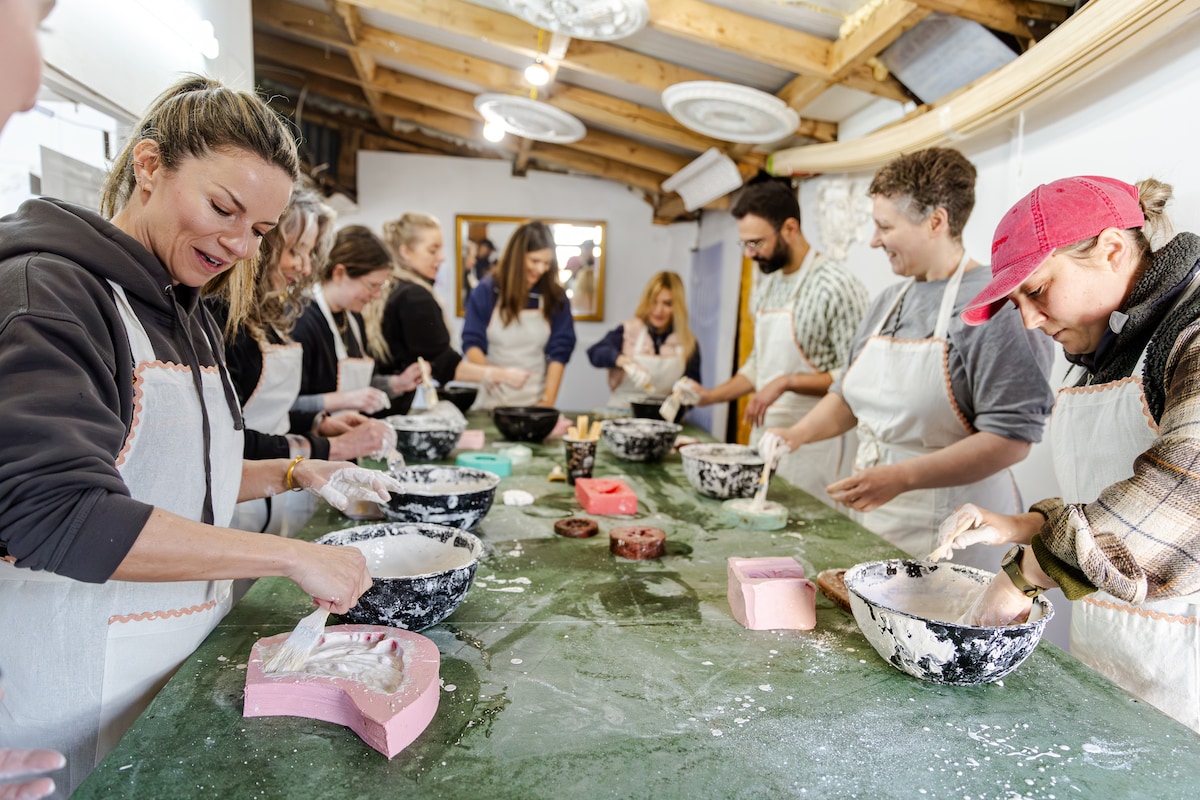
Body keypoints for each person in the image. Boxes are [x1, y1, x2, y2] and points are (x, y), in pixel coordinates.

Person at [0, 76, 401, 795]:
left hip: (167, 674)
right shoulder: (50, 296)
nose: (240, 245)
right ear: (149, 166)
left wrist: (291, 472)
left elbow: (176, 473)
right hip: (64, 705)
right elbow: (55, 515)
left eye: (260, 231)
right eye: (223, 208)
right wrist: (285, 556)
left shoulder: (189, 311)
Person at [932, 175, 1200, 732]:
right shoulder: (1093, 346)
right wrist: (1023, 525)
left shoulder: (1190, 330)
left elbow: (1183, 491)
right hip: (1115, 659)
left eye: (1036, 290)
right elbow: (1103, 490)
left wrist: (1026, 573)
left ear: (1111, 250)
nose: (1028, 319)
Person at [766, 148, 1055, 558]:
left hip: (955, 533)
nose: (873, 240)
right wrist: (794, 435)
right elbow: (848, 397)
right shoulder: (887, 301)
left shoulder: (994, 307)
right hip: (878, 515)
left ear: (936, 221)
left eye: (885, 226)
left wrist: (901, 477)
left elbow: (1011, 439)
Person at [207, 184, 396, 536]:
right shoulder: (220, 317)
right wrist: (330, 447)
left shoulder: (268, 316)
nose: (306, 267)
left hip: (277, 494)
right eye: (295, 251)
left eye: (310, 253)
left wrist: (317, 422)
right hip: (232, 502)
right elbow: (224, 435)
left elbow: (270, 413)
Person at [687, 178, 870, 506]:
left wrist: (787, 382)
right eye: (744, 244)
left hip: (818, 447)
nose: (748, 254)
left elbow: (855, 379)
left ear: (790, 228)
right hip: (769, 439)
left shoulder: (836, 286)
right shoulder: (767, 286)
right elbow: (758, 365)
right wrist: (710, 397)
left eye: (756, 243)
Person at [379, 213, 529, 414]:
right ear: (405, 252)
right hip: (384, 410)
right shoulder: (414, 296)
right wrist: (504, 375)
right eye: (433, 250)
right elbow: (446, 365)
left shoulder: (393, 287)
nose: (442, 257)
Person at [291, 224, 422, 421]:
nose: (377, 295)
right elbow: (287, 406)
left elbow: (362, 387)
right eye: (372, 286)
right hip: (307, 447)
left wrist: (398, 383)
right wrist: (342, 400)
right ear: (339, 273)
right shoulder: (302, 321)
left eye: (381, 287)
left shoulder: (352, 318)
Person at [462, 220, 577, 408]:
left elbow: (560, 351)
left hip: (536, 400)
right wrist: (495, 377)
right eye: (535, 261)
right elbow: (472, 343)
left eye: (546, 263)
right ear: (517, 257)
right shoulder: (487, 291)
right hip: (492, 400)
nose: (541, 269)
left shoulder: (555, 297)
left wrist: (547, 402)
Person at [586, 271, 701, 410]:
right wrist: (621, 360)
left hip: (663, 418)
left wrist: (684, 398)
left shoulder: (688, 343)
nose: (659, 310)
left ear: (677, 307)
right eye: (654, 302)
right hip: (622, 410)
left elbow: (693, 387)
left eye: (667, 304)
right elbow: (595, 353)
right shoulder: (628, 331)